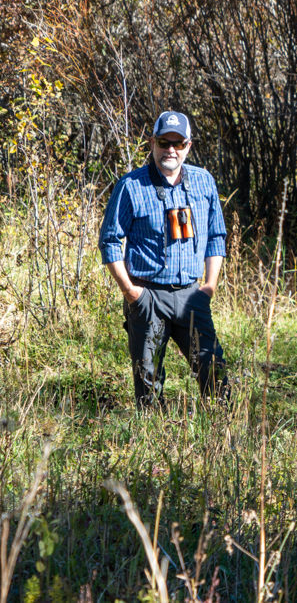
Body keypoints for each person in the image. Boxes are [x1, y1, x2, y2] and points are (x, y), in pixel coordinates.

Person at [99, 111, 228, 409]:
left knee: (213, 369)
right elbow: (109, 241)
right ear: (152, 143)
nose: (171, 149)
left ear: (188, 146)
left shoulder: (203, 182)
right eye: (164, 142)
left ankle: (222, 433)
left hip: (190, 295)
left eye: (178, 143)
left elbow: (216, 236)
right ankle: (153, 441)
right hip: (148, 296)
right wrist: (131, 292)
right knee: (148, 378)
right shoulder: (131, 186)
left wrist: (209, 286)